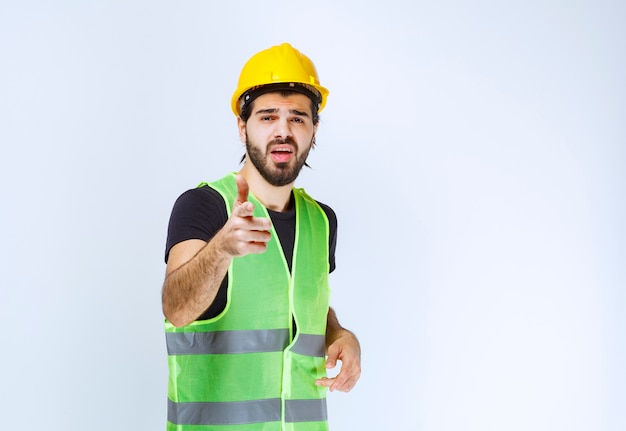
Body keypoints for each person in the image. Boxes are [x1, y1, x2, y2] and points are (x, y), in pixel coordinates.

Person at [161, 42, 361, 431]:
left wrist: (340, 335)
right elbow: (176, 309)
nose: (283, 131)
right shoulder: (204, 206)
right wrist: (221, 249)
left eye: (298, 118)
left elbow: (300, 311)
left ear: (314, 129)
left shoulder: (322, 221)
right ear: (242, 125)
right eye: (268, 117)